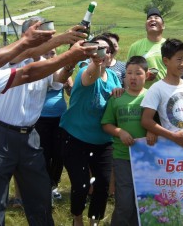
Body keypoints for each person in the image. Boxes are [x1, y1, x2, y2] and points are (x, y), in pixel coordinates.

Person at [0, 15, 96, 226]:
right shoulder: (7, 60)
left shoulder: (44, 63)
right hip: (2, 134)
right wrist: (64, 44)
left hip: (29, 136)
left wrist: (69, 58)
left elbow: (57, 78)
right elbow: (25, 71)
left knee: (40, 193)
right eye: (44, 35)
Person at [60, 34, 121, 226]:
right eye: (96, 49)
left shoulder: (113, 78)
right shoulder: (85, 72)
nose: (102, 53)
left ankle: (94, 220)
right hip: (74, 137)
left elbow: (117, 107)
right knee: (81, 184)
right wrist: (96, 61)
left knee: (102, 185)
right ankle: (77, 218)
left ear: (111, 55)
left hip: (103, 141)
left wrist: (120, 94)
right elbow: (92, 74)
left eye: (106, 50)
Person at [101, 56, 156, 225]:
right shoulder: (117, 98)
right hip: (123, 156)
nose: (133, 77)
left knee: (143, 200)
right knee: (124, 200)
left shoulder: (151, 97)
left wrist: (152, 130)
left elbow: (158, 122)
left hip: (147, 157)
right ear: (124, 77)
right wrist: (120, 132)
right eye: (129, 73)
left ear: (146, 75)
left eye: (138, 73)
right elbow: (106, 124)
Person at [35, 48, 73, 202]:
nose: (50, 56)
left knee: (59, 155)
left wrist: (68, 86)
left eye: (53, 53)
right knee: (44, 155)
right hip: (40, 119)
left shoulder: (62, 70)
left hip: (60, 118)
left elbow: (71, 92)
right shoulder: (39, 70)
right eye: (46, 53)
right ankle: (43, 188)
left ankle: (53, 185)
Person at [127, 7, 167, 88]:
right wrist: (143, 74)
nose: (152, 19)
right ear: (146, 26)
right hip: (142, 95)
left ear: (163, 26)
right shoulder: (135, 46)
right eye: (149, 18)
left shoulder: (170, 46)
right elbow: (128, 72)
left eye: (156, 18)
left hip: (166, 93)